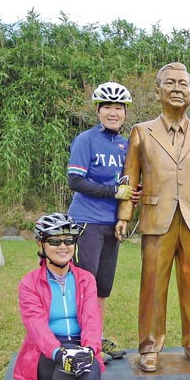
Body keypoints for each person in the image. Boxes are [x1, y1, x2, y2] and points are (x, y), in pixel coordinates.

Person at [115, 62, 190, 373]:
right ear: (158, 92)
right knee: (153, 284)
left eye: (184, 84)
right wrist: (124, 215)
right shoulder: (141, 132)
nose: (177, 89)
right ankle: (150, 346)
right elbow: (129, 179)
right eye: (170, 83)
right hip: (157, 218)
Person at [14, 213, 105, 380]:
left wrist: (90, 348)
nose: (63, 246)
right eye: (54, 240)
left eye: (69, 240)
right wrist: (58, 352)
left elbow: (91, 317)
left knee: (88, 367)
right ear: (42, 245)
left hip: (80, 344)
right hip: (45, 354)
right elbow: (36, 325)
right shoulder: (29, 283)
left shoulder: (86, 279)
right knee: (66, 363)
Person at [67, 82, 134, 357]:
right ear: (97, 110)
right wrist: (113, 191)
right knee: (85, 284)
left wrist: (128, 206)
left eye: (118, 107)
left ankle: (97, 337)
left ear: (125, 112)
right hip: (87, 222)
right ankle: (81, 341)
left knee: (103, 287)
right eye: (107, 107)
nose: (113, 112)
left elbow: (129, 184)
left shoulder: (125, 145)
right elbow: (75, 180)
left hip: (112, 224)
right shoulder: (86, 140)